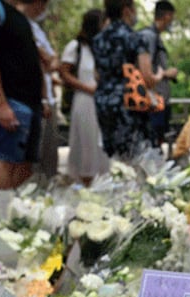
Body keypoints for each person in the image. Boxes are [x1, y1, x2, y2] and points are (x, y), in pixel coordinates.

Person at [0, 0, 47, 189]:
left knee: (25, 163)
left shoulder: (17, 14)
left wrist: (43, 98)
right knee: (8, 161)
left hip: (32, 101)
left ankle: (17, 210)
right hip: (12, 99)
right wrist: (1, 104)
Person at [92, 0, 160, 159]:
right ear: (126, 10)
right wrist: (160, 76)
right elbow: (147, 77)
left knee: (115, 157)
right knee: (137, 157)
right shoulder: (134, 37)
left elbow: (96, 75)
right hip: (130, 101)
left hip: (104, 102)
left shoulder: (98, 39)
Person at [59, 8, 109, 185]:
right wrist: (86, 88)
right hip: (84, 99)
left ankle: (101, 180)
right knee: (86, 142)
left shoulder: (102, 47)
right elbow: (64, 73)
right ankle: (83, 179)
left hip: (101, 101)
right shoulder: (76, 47)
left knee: (101, 143)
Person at [24, 0, 59, 180]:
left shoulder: (36, 28)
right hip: (36, 99)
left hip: (48, 99)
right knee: (34, 158)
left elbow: (52, 61)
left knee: (49, 155)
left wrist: (48, 60)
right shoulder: (20, 25)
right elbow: (41, 62)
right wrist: (43, 98)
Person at [139, 0, 178, 144]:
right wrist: (167, 74)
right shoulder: (149, 36)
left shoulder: (156, 37)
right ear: (167, 16)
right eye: (172, 17)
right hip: (152, 100)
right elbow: (144, 69)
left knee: (158, 142)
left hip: (160, 100)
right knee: (151, 143)